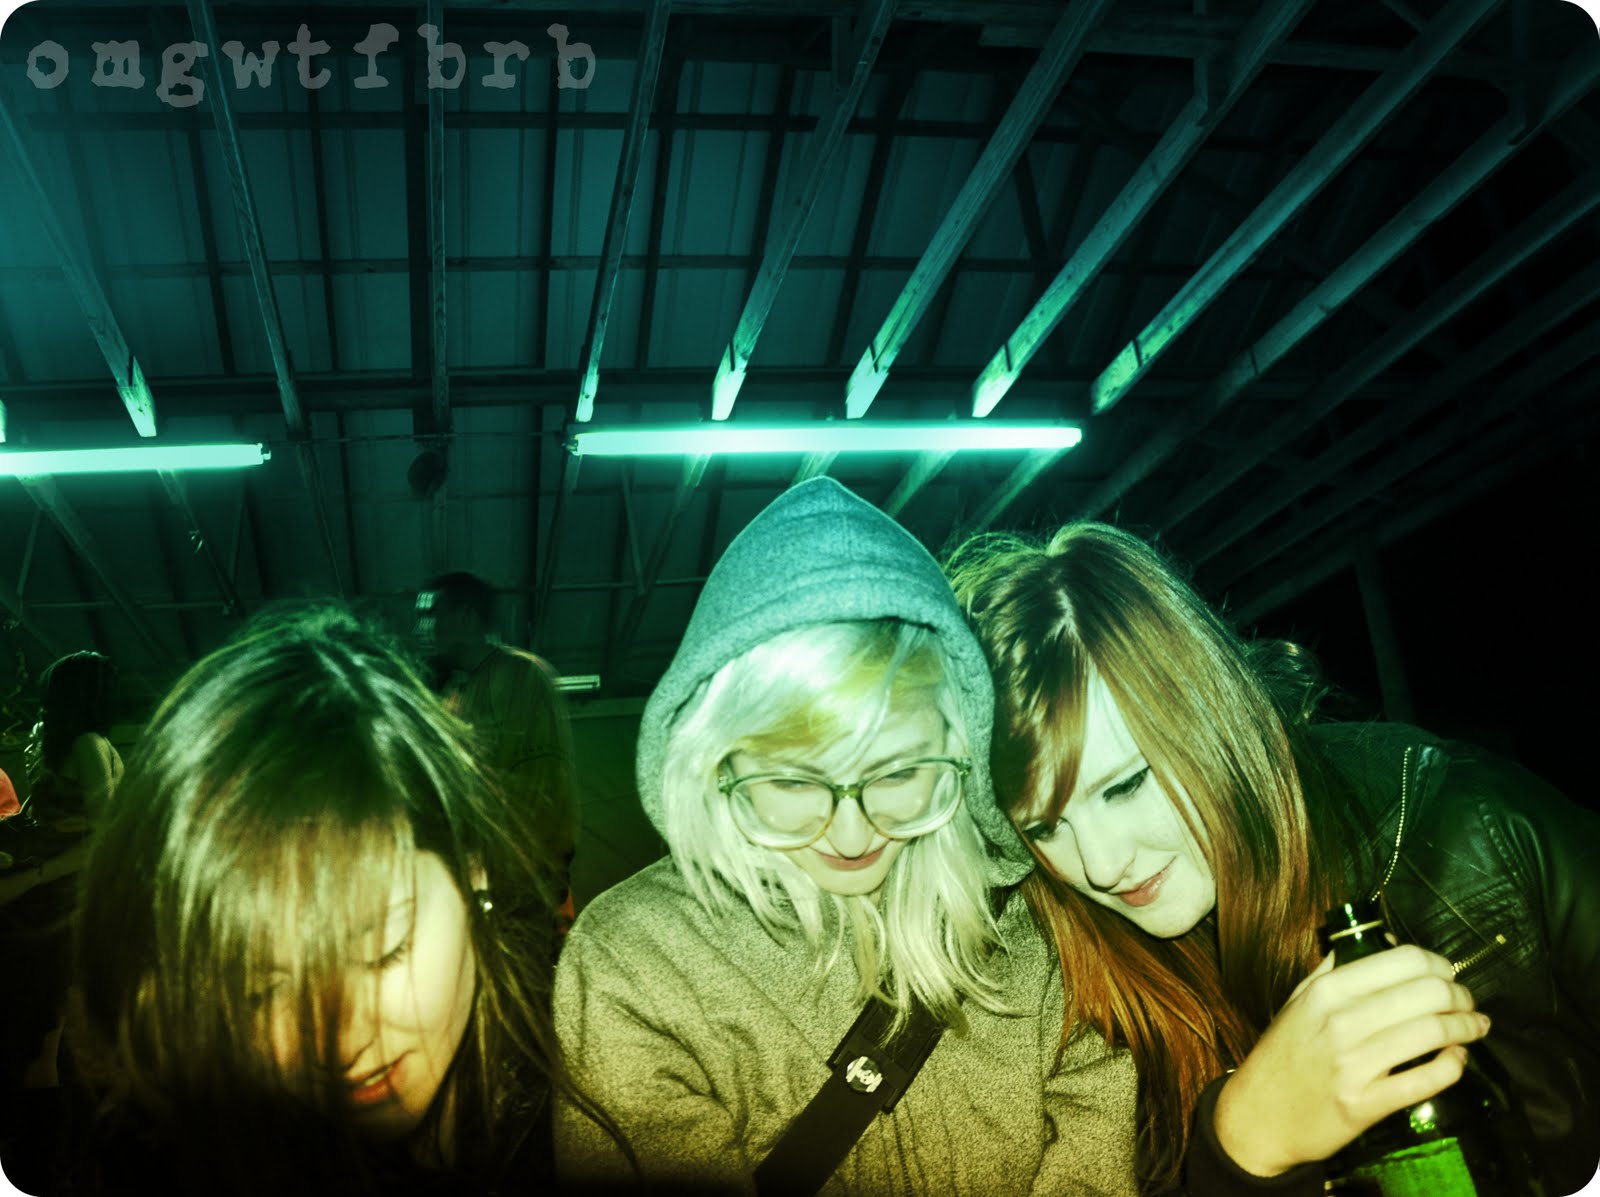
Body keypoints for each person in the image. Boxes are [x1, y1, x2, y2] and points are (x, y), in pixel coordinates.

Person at [945, 521, 1599, 1196]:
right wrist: (1239, 1147)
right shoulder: (1065, 981)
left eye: (1127, 785)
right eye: (1046, 827)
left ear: (1209, 712)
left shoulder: (1468, 826)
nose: (1103, 865)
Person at [552, 477, 1140, 1195]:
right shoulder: (637, 962)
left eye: (899, 772)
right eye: (794, 782)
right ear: (716, 763)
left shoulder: (1040, 927)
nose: (854, 833)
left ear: (961, 744)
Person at [70, 605, 569, 1195]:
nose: (340, 1042)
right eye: (259, 990)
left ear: (473, 875)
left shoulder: (586, 1112)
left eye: (383, 951)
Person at [416, 572, 578, 933]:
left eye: (435, 615)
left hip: (522, 884)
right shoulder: (454, 690)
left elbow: (545, 784)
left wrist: (537, 875)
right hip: (479, 883)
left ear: (466, 617)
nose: (426, 627)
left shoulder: (524, 678)